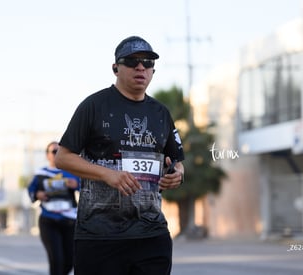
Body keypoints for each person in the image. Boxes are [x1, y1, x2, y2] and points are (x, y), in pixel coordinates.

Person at [55, 36, 185, 275]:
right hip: (99, 236)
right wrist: (107, 174)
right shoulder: (94, 106)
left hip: (151, 233)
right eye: (132, 61)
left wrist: (175, 174)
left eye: (147, 62)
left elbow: (175, 161)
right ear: (116, 68)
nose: (140, 67)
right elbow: (62, 157)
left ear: (153, 71)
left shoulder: (160, 113)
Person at [27, 141, 80, 275]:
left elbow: (85, 187)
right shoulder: (40, 173)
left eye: (59, 151)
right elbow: (31, 190)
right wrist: (38, 194)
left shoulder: (71, 172)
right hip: (49, 220)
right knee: (56, 259)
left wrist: (76, 185)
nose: (57, 154)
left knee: (70, 260)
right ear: (47, 155)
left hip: (69, 221)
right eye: (54, 152)